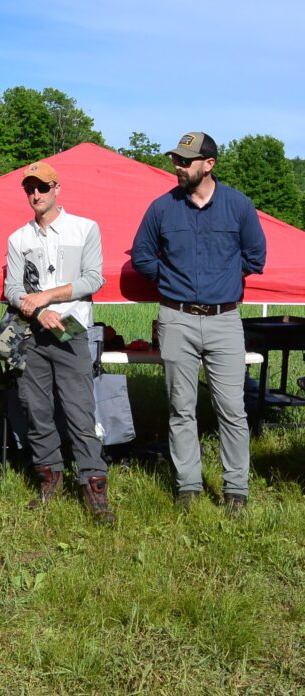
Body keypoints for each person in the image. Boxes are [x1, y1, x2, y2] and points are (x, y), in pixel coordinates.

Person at [131, 132, 266, 515]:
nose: (177, 166)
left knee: (232, 408)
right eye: (176, 159)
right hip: (176, 320)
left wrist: (221, 279)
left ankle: (236, 491)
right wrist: (172, 280)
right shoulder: (162, 208)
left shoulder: (239, 206)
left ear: (209, 164)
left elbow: (255, 256)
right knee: (181, 408)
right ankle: (188, 487)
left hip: (225, 321)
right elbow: (142, 256)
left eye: (185, 160)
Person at [5, 161, 115, 524]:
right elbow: (12, 288)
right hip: (33, 330)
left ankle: (94, 486)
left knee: (80, 410)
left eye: (42, 187)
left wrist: (48, 298)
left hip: (71, 328)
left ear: (57, 189)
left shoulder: (85, 228)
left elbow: (93, 279)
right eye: (29, 189)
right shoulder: (18, 238)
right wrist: (38, 312)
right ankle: (49, 478)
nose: (35, 194)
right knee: (36, 409)